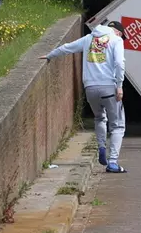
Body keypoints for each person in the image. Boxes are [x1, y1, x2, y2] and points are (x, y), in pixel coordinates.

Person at [40, 21, 128, 173]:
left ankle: (101, 146)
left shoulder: (89, 38)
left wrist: (50, 55)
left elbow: (68, 47)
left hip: (90, 87)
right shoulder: (116, 40)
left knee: (100, 118)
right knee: (118, 125)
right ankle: (112, 162)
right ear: (118, 32)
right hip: (108, 87)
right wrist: (119, 85)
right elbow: (120, 63)